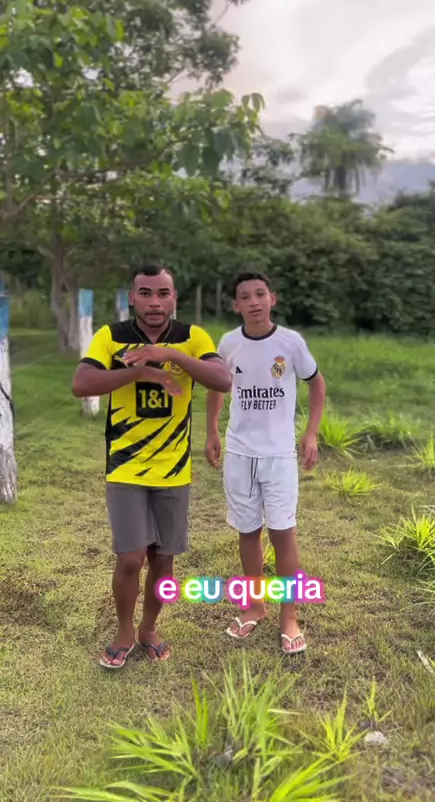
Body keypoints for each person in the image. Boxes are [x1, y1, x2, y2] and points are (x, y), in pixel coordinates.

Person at [72, 264, 231, 669]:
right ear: (132, 298)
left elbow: (221, 379)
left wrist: (168, 355)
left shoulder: (192, 337)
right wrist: (141, 371)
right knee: (131, 558)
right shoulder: (112, 336)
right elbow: (82, 384)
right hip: (125, 468)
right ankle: (124, 631)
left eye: (163, 293)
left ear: (174, 297)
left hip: (174, 470)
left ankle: (148, 629)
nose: (155, 302)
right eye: (145, 293)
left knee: (163, 560)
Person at [205, 270, 325, 655]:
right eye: (245, 296)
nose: (254, 302)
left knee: (282, 532)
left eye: (260, 294)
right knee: (248, 531)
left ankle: (289, 616)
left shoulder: (290, 343)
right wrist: (212, 430)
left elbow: (316, 382)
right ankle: (254, 606)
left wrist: (311, 433)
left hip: (278, 455)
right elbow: (218, 386)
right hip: (240, 453)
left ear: (272, 298)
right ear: (235, 305)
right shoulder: (228, 343)